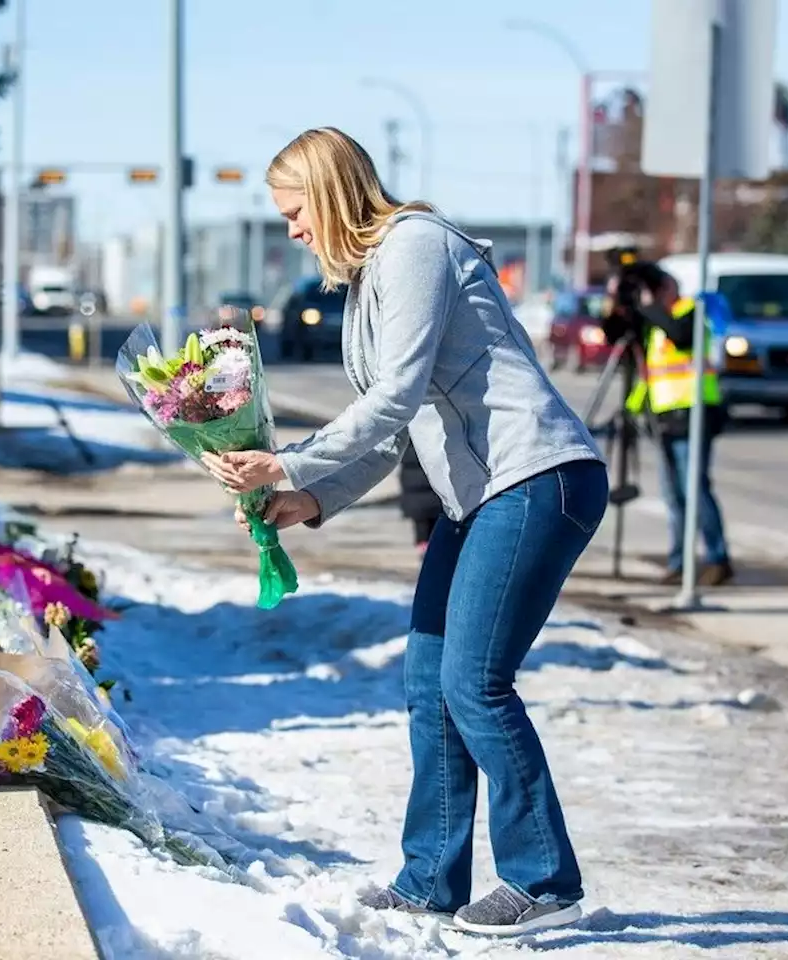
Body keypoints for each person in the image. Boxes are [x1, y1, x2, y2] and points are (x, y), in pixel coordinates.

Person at [200, 127, 609, 937]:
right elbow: (396, 435)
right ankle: (430, 878)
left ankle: (543, 879)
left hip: (535, 478)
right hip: (478, 499)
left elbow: (391, 399)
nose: (292, 230)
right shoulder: (365, 286)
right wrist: (310, 500)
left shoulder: (415, 245)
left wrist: (285, 464)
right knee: (429, 682)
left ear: (331, 192)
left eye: (294, 211)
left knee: (475, 683)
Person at [620, 266, 734, 586]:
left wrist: (648, 307)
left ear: (669, 287)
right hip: (665, 417)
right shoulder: (653, 323)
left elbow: (681, 336)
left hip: (695, 412)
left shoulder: (691, 313)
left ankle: (717, 557)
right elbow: (619, 338)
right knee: (673, 496)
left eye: (653, 289)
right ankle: (679, 562)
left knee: (694, 489)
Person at [398, 444, 441, 550]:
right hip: (433, 487)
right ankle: (431, 548)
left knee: (421, 525)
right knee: (436, 524)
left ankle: (423, 547)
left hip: (414, 489)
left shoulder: (406, 441)